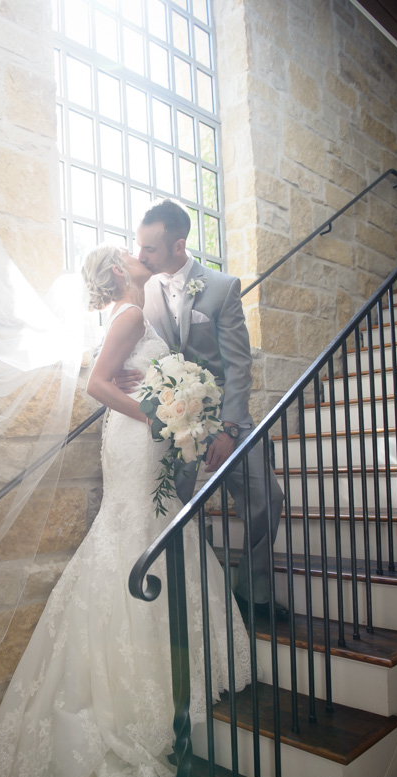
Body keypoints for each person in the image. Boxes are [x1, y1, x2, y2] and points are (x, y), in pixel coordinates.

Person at [0, 244, 252, 777]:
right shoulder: (128, 315)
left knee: (156, 523)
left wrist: (178, 399)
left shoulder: (141, 311)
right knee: (132, 526)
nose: (138, 252)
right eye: (129, 251)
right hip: (135, 436)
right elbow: (99, 383)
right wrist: (155, 413)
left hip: (146, 435)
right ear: (122, 271)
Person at [117, 199, 286, 622]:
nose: (140, 256)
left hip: (224, 418)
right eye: (139, 247)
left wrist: (229, 428)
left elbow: (238, 365)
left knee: (267, 498)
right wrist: (128, 376)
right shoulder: (144, 289)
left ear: (179, 245)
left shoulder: (222, 287)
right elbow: (137, 347)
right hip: (173, 424)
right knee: (172, 506)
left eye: (149, 249)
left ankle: (254, 593)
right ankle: (194, 601)